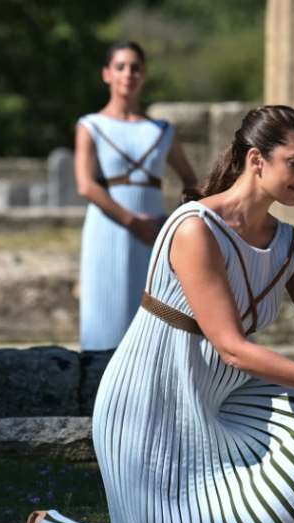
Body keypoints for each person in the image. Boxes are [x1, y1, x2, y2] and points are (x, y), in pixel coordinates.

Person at [27, 105, 294, 523]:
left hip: (223, 401)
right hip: (153, 404)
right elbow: (232, 348)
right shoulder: (195, 229)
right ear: (257, 160)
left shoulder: (291, 246)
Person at [76, 41, 199, 351]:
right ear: (107, 74)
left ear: (143, 75)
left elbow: (190, 181)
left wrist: (175, 225)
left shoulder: (161, 130)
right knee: (104, 315)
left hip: (153, 234)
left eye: (135, 68)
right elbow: (86, 185)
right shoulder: (91, 125)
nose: (128, 74)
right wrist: (132, 221)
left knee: (149, 317)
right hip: (109, 229)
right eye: (120, 67)